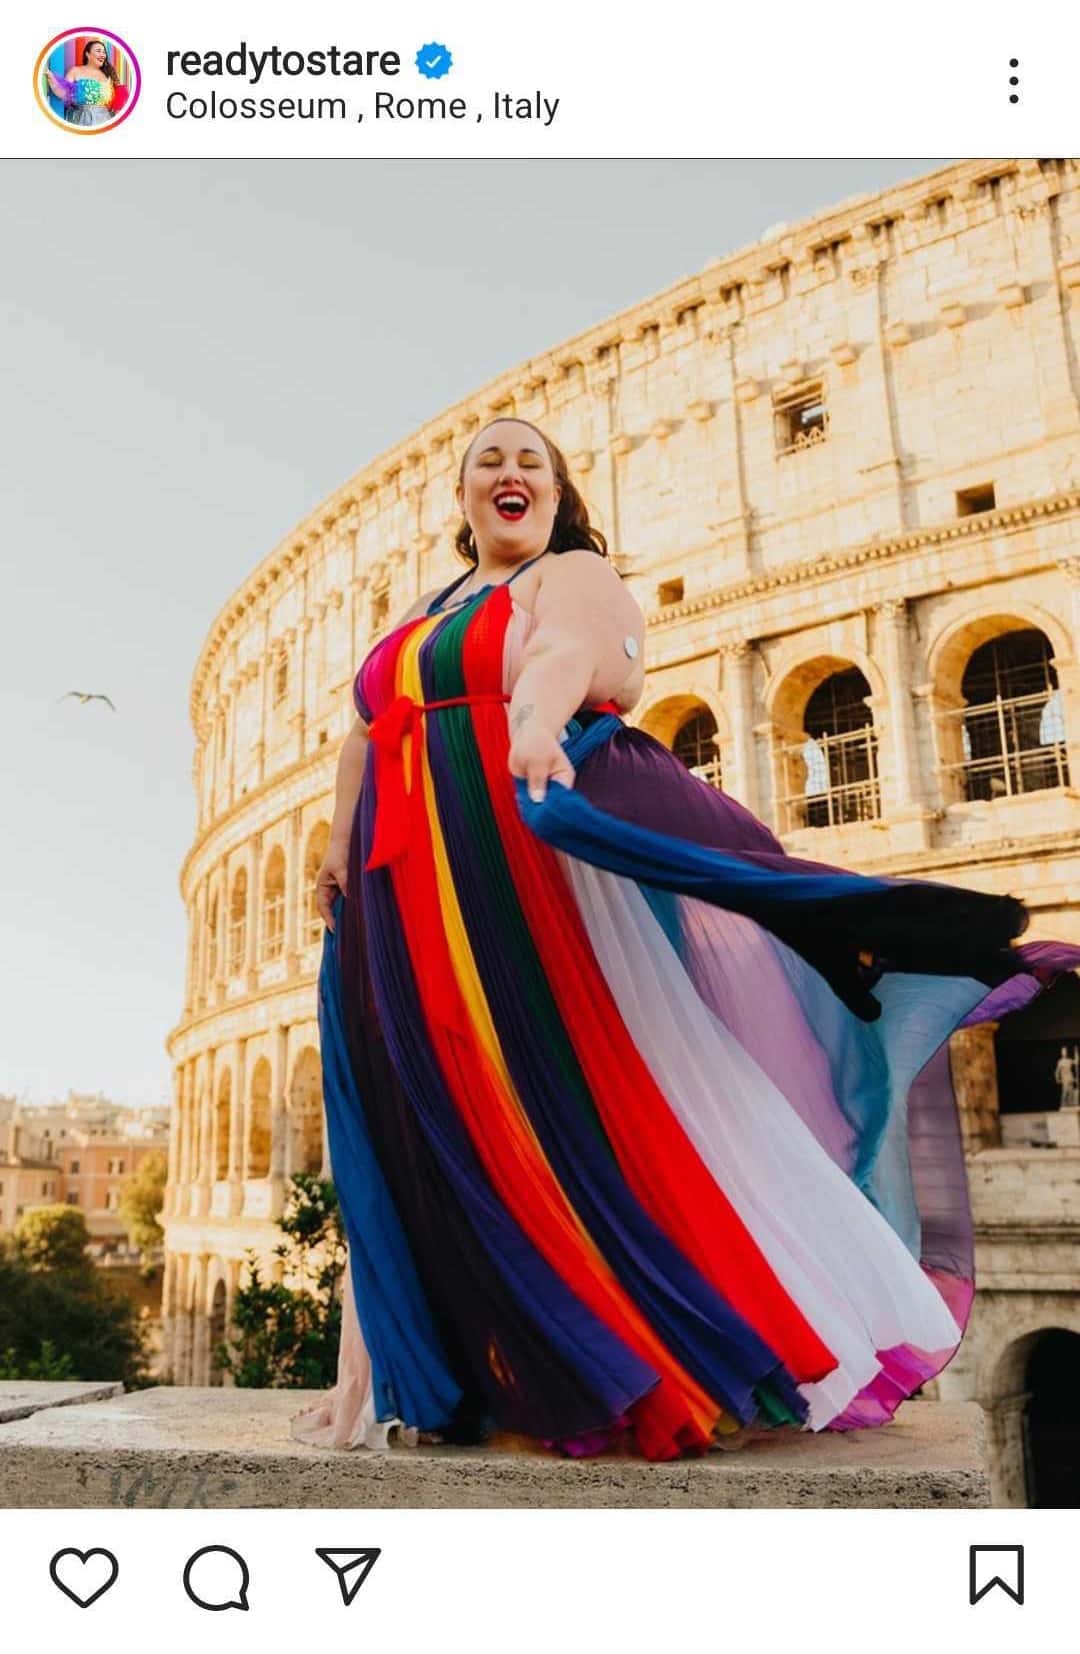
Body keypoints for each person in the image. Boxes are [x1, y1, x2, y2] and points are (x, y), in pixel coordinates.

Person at [291, 416, 1080, 1461]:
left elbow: (577, 659)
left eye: (532, 459)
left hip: (506, 873)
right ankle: (388, 1372)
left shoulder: (571, 576)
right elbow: (364, 734)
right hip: (402, 892)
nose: (509, 470)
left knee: (554, 1105)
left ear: (560, 493)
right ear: (465, 495)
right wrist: (338, 856)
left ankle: (628, 1354)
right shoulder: (425, 611)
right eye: (490, 458)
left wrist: (534, 725)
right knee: (406, 1112)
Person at [45, 39, 129, 128]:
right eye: (98, 51)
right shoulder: (75, 71)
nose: (102, 54)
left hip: (105, 120)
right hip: (80, 120)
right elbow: (64, 93)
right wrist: (51, 78)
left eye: (104, 52)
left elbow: (120, 99)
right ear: (87, 54)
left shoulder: (109, 74)